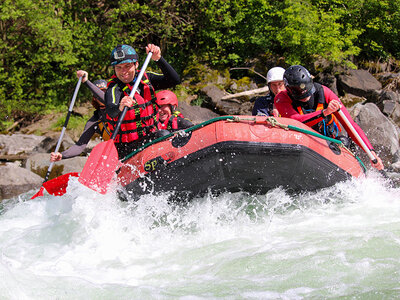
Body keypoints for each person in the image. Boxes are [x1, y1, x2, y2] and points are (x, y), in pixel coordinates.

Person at [274, 64, 384, 170]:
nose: (306, 98)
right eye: (301, 95)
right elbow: (296, 121)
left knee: (343, 142)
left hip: (328, 141)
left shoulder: (324, 92)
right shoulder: (281, 99)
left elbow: (350, 125)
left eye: (308, 93)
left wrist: (371, 152)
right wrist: (324, 113)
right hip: (301, 141)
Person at [105, 44, 181, 159]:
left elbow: (174, 80)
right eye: (118, 68)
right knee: (163, 135)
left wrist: (158, 59)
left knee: (180, 127)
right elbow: (111, 110)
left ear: (136, 65)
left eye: (127, 66)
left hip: (149, 138)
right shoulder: (114, 88)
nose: (123, 71)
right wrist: (120, 107)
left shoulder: (147, 78)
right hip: (127, 148)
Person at [50, 71, 110, 162]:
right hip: (115, 153)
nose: (102, 95)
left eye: (105, 92)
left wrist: (86, 82)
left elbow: (106, 100)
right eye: (98, 93)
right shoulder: (94, 120)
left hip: (132, 148)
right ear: (94, 98)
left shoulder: (120, 108)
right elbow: (79, 146)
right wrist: (62, 155)